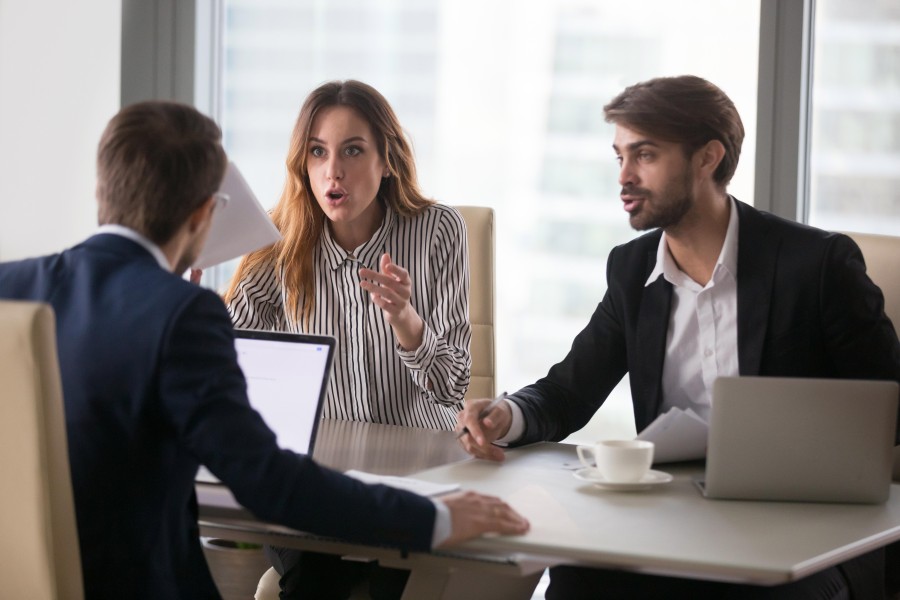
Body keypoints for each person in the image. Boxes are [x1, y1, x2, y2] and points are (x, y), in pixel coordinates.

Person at [0, 100, 528, 599]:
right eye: (317, 151)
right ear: (205, 215)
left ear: (100, 188)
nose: (332, 171)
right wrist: (433, 517)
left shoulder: (10, 287)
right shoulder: (186, 311)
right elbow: (267, 480)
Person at [456, 75, 900, 600]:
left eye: (644, 155)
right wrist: (509, 413)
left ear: (707, 157)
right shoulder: (632, 270)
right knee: (575, 581)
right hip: (673, 522)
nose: (624, 176)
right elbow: (569, 391)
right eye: (619, 156)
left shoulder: (817, 265)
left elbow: (890, 406)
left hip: (804, 535)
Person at [220, 79, 472, 598]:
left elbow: (452, 388)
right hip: (312, 481)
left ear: (387, 161)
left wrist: (405, 319)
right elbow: (231, 366)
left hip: (415, 476)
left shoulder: (438, 231)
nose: (332, 171)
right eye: (318, 152)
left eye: (352, 151)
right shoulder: (280, 242)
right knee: (315, 581)